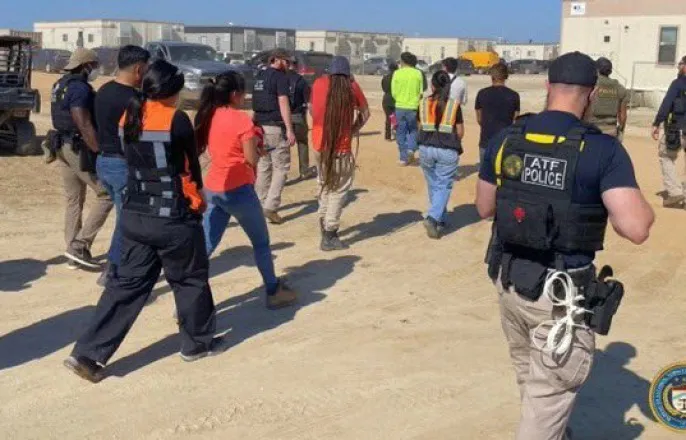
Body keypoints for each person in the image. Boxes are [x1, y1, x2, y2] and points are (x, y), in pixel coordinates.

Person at [476, 52, 655, 440]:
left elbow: (484, 207)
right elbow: (637, 228)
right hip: (560, 298)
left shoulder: (508, 138)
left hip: (510, 284)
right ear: (592, 95)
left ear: (547, 87)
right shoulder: (603, 149)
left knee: (532, 380)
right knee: (547, 397)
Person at [64, 60, 224, 383]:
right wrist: (198, 200)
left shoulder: (130, 116)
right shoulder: (176, 120)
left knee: (126, 287)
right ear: (171, 91)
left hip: (135, 217)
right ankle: (196, 344)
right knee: (190, 280)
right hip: (172, 218)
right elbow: (190, 167)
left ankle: (87, 354)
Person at [194, 71, 298, 309]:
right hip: (239, 189)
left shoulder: (210, 114)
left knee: (206, 245)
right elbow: (251, 160)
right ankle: (273, 291)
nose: (244, 98)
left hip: (214, 187)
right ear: (234, 94)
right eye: (242, 94)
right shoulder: (241, 120)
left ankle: (189, 297)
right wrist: (257, 151)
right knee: (261, 243)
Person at [51, 48, 113, 270]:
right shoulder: (79, 88)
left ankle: (73, 252)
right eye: (94, 66)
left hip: (61, 145)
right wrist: (98, 150)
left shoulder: (60, 84)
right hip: (77, 148)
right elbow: (83, 122)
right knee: (106, 194)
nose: (96, 69)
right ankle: (80, 245)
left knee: (74, 199)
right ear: (86, 66)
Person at [94, 45, 150, 285]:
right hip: (122, 164)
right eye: (146, 69)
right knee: (126, 221)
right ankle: (113, 270)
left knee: (124, 217)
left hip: (103, 161)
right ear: (138, 69)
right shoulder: (134, 99)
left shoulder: (103, 90)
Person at [310, 56, 370, 251]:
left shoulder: (318, 84)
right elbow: (365, 113)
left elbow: (312, 109)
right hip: (341, 148)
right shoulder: (351, 87)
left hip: (319, 145)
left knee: (324, 184)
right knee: (338, 190)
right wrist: (352, 129)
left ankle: (323, 220)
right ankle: (330, 233)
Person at [418, 71, 465, 239]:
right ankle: (433, 218)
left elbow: (419, 126)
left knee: (433, 185)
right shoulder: (454, 105)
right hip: (447, 149)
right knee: (444, 185)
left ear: (432, 85)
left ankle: (441, 218)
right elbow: (460, 132)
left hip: (425, 148)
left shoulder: (423, 103)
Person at [252, 48, 296, 224]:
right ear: (277, 60)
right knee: (281, 167)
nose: (288, 65)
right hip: (275, 127)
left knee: (264, 165)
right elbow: (283, 102)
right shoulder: (279, 77)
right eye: (286, 61)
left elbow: (255, 103)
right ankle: (270, 206)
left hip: (259, 126)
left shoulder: (259, 77)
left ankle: (259, 203)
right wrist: (289, 129)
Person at [651, 55, 686, 208]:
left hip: (677, 129)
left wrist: (656, 123)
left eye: (681, 64)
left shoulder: (678, 84)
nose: (678, 66)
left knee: (666, 156)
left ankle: (675, 193)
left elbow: (667, 104)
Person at [475, 63, 520, 163]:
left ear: (492, 76)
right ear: (506, 76)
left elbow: (479, 119)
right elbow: (515, 120)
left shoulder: (482, 93)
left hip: (486, 141)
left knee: (485, 171)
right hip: (505, 142)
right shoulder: (514, 95)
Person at [392, 52, 424, 166]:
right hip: (413, 107)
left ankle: (403, 158)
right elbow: (421, 92)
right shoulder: (418, 73)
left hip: (400, 107)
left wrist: (400, 99)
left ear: (403, 61)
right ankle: (411, 148)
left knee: (400, 132)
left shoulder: (397, 73)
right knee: (414, 130)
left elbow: (394, 92)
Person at [287, 57, 316, 180]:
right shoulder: (302, 81)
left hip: (282, 118)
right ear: (297, 65)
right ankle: (304, 171)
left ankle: (282, 174)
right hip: (298, 117)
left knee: (283, 146)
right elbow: (309, 104)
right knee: (302, 143)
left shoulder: (280, 79)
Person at [588, 57, 628, 139]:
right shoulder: (620, 88)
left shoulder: (590, 85)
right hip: (611, 131)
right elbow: (623, 115)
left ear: (597, 70)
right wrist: (621, 130)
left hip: (592, 130)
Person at [381, 62, 398, 141]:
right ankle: (395, 133)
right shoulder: (397, 78)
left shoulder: (385, 77)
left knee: (388, 118)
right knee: (394, 118)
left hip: (386, 99)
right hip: (394, 100)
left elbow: (383, 88)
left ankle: (387, 136)